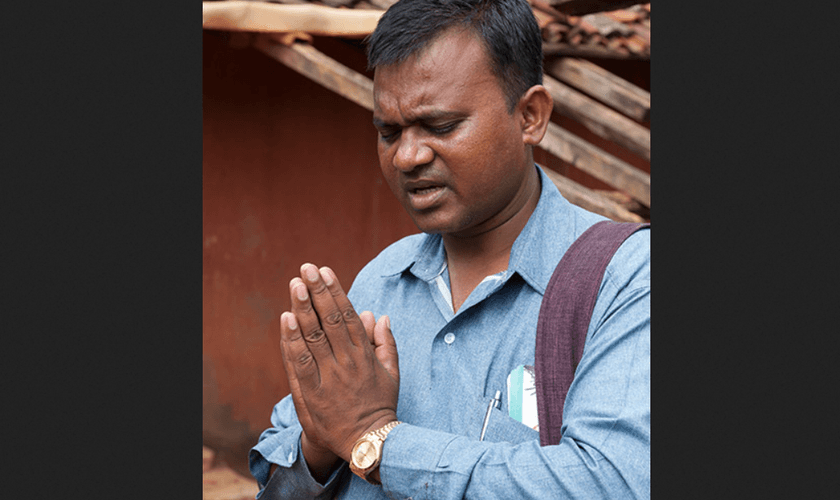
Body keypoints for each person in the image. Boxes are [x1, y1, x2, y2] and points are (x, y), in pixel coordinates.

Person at [249, 0, 650, 498]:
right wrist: (319, 440)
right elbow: (275, 472)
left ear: (530, 116)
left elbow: (610, 482)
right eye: (388, 132)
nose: (408, 156)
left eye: (439, 127)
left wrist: (373, 438)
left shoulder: (627, 280)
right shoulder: (383, 280)